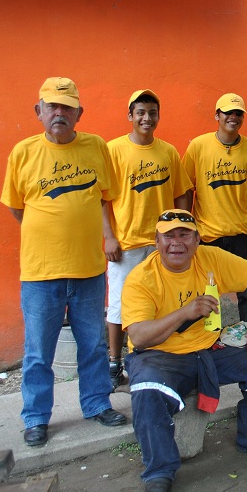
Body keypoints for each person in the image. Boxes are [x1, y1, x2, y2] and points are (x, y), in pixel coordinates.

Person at [122, 210, 247, 492]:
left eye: (184, 235)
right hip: (159, 356)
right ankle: (159, 470)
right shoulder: (141, 278)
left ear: (197, 240)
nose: (176, 242)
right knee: (146, 386)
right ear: (156, 241)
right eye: (168, 236)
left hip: (208, 348)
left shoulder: (209, 258)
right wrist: (185, 312)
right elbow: (139, 337)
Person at [1, 77, 127, 448]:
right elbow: (17, 207)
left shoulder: (96, 146)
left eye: (67, 107)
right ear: (38, 111)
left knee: (93, 345)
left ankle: (97, 403)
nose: (59, 113)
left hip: (88, 269)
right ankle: (36, 417)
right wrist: (48, 233)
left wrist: (97, 235)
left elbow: (104, 197)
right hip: (41, 273)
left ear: (79, 113)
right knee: (39, 351)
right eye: (52, 106)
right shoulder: (23, 153)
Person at [103, 89, 191, 388]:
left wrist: (183, 233)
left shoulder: (168, 152)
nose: (146, 118)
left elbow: (181, 193)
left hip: (162, 244)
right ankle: (114, 364)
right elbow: (102, 198)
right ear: (130, 115)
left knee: (162, 303)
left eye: (152, 113)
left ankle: (153, 359)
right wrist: (108, 237)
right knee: (119, 306)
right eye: (140, 112)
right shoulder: (114, 150)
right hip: (126, 245)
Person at [182, 92, 247, 328]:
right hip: (207, 235)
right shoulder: (198, 147)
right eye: (228, 112)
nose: (233, 117)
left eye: (238, 113)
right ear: (217, 115)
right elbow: (186, 188)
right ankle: (208, 340)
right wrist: (187, 227)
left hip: (242, 234)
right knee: (206, 293)